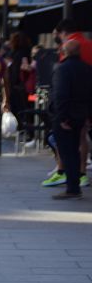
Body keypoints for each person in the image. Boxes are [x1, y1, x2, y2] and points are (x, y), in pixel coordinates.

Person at [49, 25, 92, 199]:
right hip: (81, 115)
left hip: (66, 117)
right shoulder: (87, 69)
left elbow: (61, 96)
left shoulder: (62, 69)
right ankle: (75, 184)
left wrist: (61, 118)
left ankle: (72, 188)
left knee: (67, 153)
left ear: (64, 51)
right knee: (75, 149)